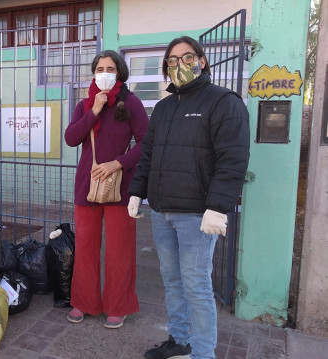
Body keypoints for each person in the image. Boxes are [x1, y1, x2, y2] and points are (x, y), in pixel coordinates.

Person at [128, 36, 250, 359]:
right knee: (172, 280)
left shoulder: (223, 102)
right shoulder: (164, 107)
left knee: (197, 286)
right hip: (162, 211)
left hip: (197, 215)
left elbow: (233, 158)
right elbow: (149, 154)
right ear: (166, 68)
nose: (179, 64)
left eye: (187, 57)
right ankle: (179, 339)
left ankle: (203, 353)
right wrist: (137, 191)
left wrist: (218, 206)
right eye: (172, 60)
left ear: (202, 60)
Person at [64, 50, 148, 329]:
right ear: (93, 72)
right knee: (86, 247)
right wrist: (94, 110)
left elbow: (147, 144)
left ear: (120, 73)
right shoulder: (85, 104)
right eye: (100, 68)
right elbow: (72, 138)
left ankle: (117, 306)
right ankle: (84, 302)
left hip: (120, 189)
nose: (105, 73)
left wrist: (118, 163)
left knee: (118, 250)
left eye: (110, 68)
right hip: (86, 189)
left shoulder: (131, 103)